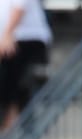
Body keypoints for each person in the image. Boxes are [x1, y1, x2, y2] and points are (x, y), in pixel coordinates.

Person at [0, 0, 48, 131]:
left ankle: (11, 125)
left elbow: (19, 8)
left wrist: (7, 35)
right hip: (9, 43)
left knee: (10, 75)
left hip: (29, 41)